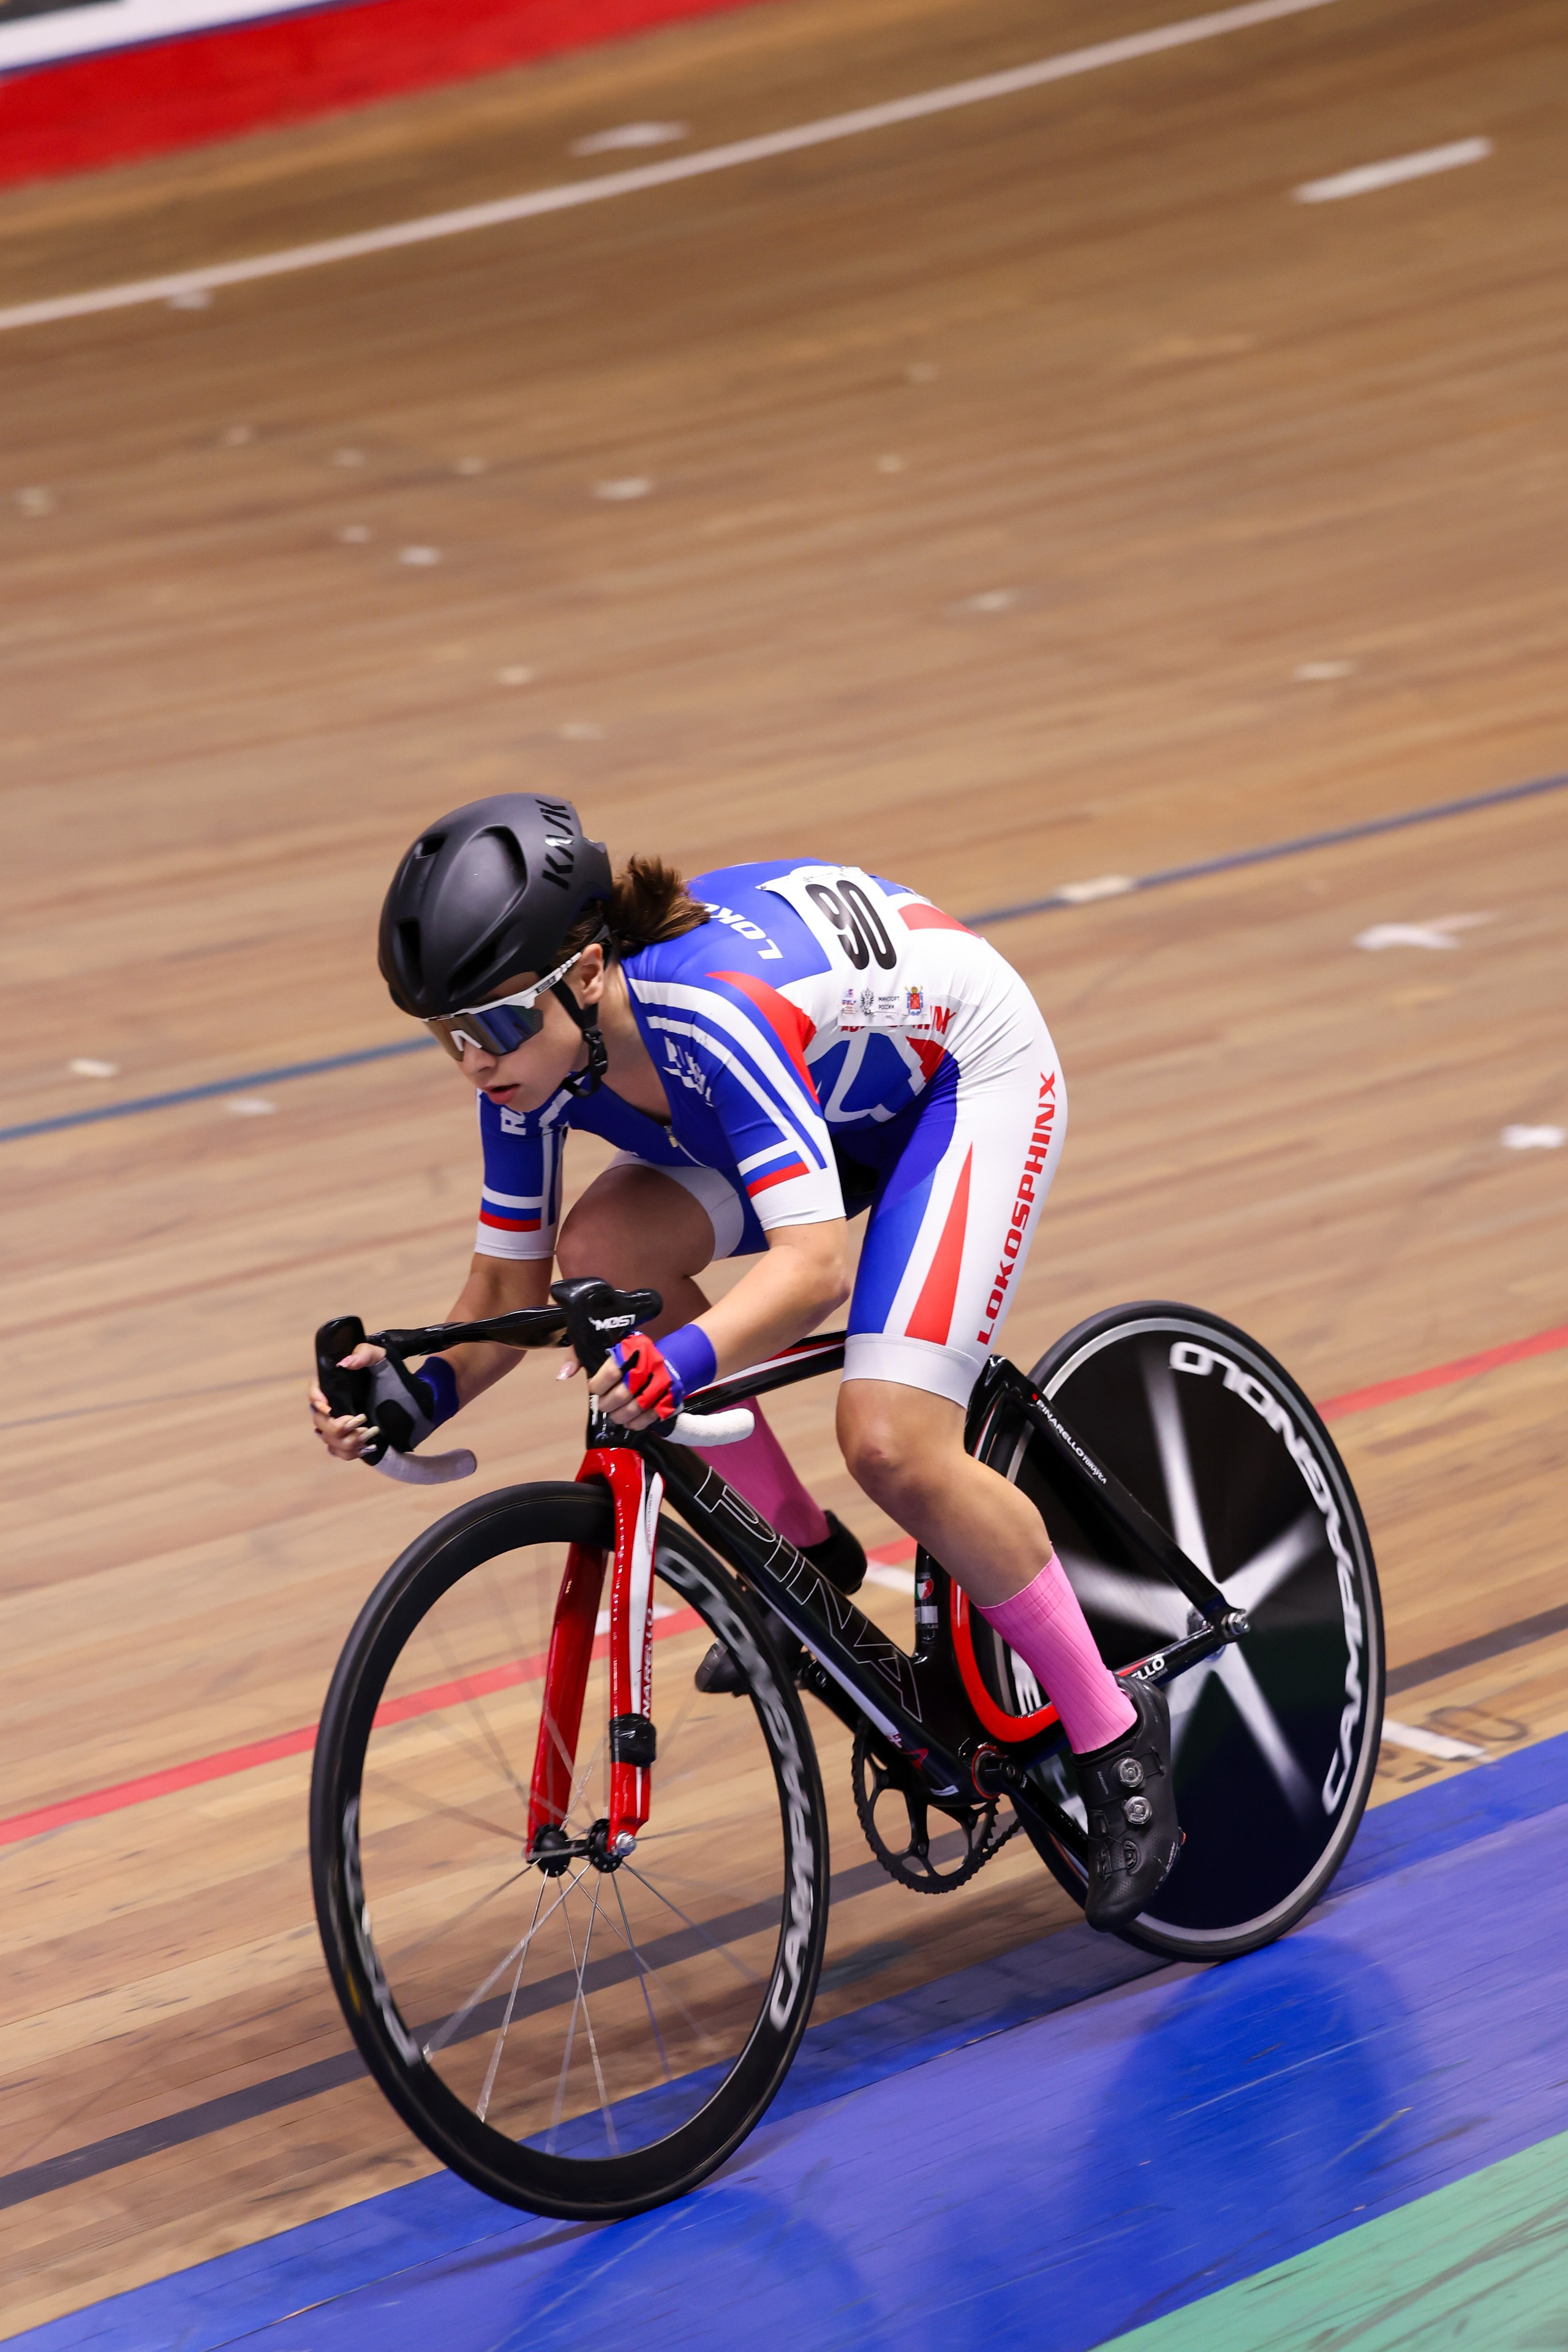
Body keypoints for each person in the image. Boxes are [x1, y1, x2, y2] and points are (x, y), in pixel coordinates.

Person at [309, 793, 1179, 1929]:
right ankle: (803, 1562)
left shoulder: (706, 1016)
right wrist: (410, 1393)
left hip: (959, 1077)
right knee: (598, 1257)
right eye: (447, 1035)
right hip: (810, 1097)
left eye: (494, 1025)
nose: (474, 1060)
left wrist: (684, 1358)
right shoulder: (526, 1066)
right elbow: (509, 1296)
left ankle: (1114, 1731)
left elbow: (814, 1268)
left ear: (582, 975)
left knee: (891, 1439)